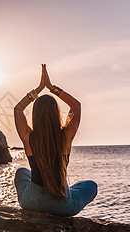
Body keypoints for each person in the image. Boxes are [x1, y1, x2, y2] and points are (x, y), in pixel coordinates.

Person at [13, 64, 97, 216]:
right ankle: (65, 192)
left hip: (32, 202)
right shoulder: (66, 136)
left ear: (35, 115)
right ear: (56, 112)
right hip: (62, 206)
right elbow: (76, 106)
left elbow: (18, 109)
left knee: (21, 172)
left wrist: (38, 90)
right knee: (91, 186)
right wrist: (52, 88)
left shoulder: (28, 136)